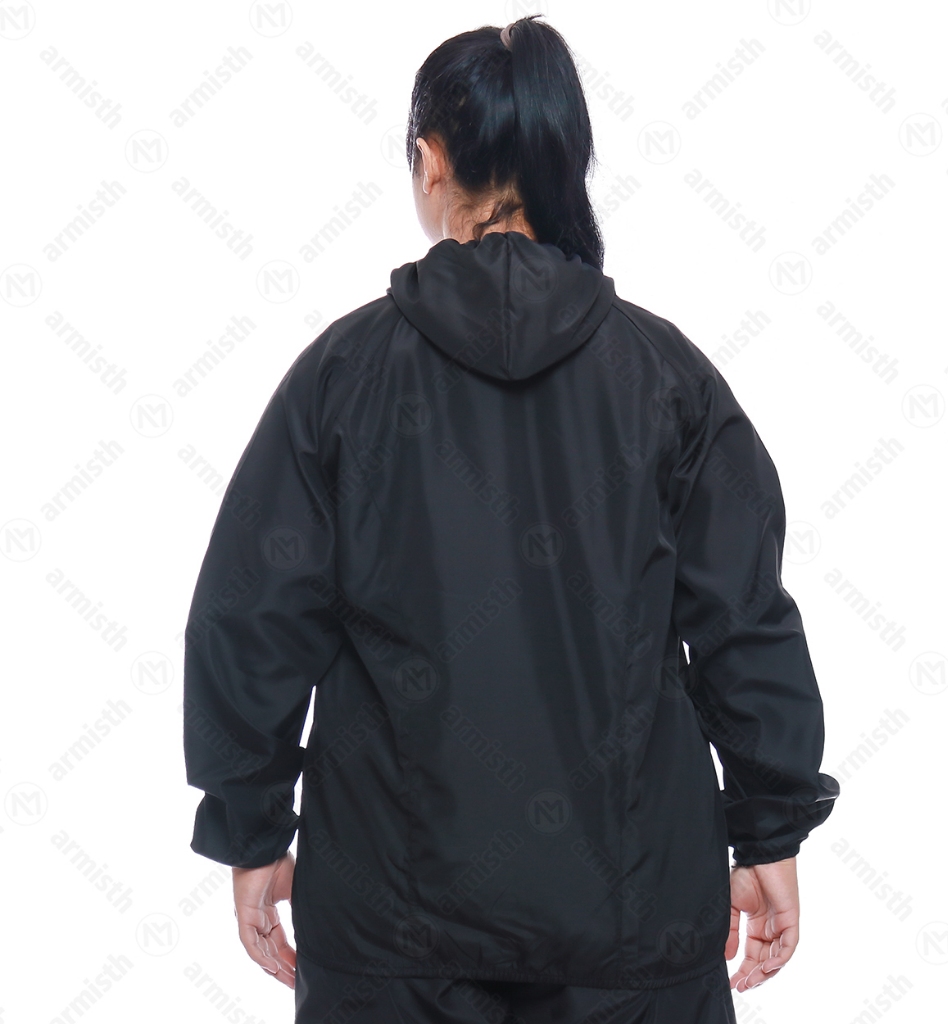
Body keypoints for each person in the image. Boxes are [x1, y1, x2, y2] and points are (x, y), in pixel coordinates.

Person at [182, 15, 840, 1024]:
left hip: (389, 934)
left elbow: (250, 612)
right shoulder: (666, 378)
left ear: (429, 160)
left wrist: (252, 828)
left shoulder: (344, 377)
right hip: (636, 925)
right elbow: (744, 618)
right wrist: (770, 829)